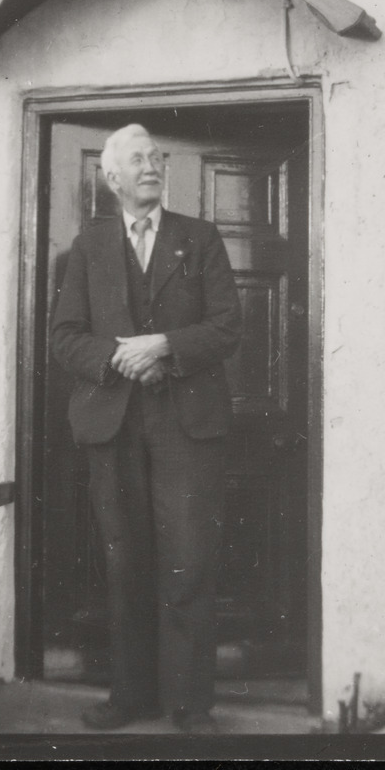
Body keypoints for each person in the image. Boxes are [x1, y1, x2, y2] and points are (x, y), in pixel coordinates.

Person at [51, 123, 242, 734]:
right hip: (115, 421)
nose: (151, 166)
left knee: (188, 562)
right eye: (137, 160)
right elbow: (64, 337)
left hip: (186, 425)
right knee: (125, 562)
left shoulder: (201, 237)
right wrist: (118, 356)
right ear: (112, 177)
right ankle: (131, 697)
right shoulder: (89, 246)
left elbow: (227, 327)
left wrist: (163, 344)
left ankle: (190, 706)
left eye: (156, 157)